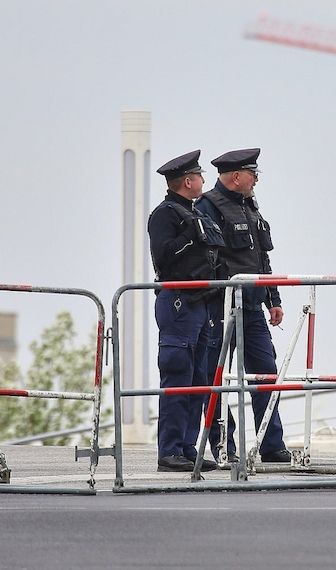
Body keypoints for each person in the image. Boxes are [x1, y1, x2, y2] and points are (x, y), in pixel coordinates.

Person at [196, 148, 291, 464]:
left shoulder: (251, 207)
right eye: (253, 174)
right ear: (236, 176)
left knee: (266, 375)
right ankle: (225, 445)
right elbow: (205, 259)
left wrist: (273, 299)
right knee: (217, 378)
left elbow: (262, 259)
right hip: (220, 309)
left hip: (251, 309)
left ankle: (271, 444)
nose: (257, 180)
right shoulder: (208, 207)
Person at [147, 150, 225, 472]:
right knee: (178, 375)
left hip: (201, 304)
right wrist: (188, 236)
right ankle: (169, 451)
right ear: (188, 181)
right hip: (178, 303)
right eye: (200, 177)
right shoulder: (165, 215)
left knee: (199, 379)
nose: (204, 182)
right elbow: (164, 257)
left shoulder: (197, 214)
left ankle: (187, 447)